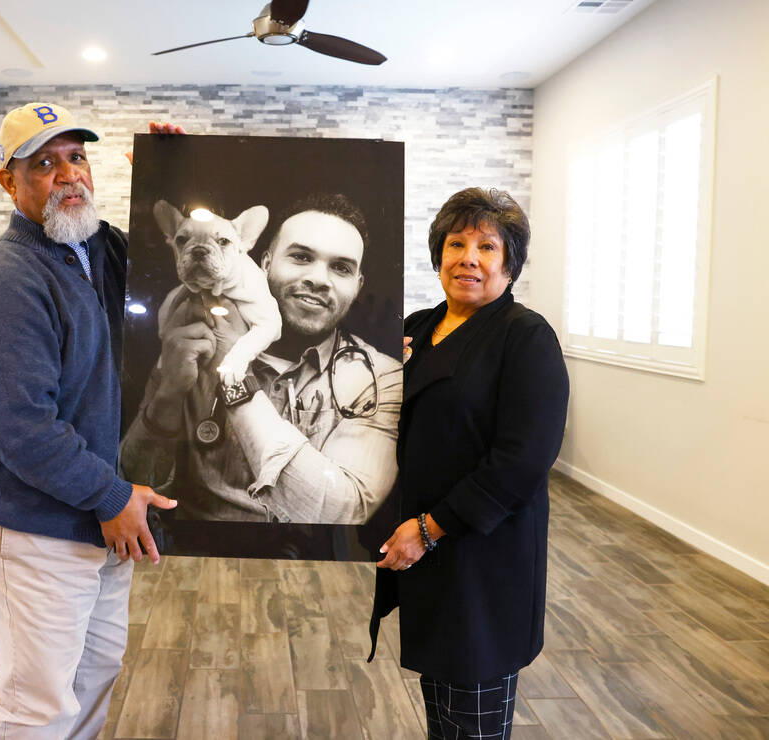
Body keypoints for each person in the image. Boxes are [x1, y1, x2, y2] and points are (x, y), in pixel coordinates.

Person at [0, 102, 183, 738]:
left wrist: (168, 182)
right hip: (37, 521)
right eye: (45, 164)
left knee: (94, 673)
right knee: (38, 701)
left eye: (76, 157)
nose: (68, 175)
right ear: (8, 180)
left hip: (101, 516)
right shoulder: (8, 283)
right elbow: (22, 429)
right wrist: (112, 494)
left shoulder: (91, 250)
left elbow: (168, 278)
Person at [369, 188, 569, 739]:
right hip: (426, 553)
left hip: (482, 556)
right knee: (444, 705)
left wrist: (432, 529)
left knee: (472, 716)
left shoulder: (525, 337)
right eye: (457, 243)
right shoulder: (415, 327)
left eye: (487, 246)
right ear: (439, 254)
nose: (469, 258)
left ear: (509, 263)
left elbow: (521, 461)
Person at [120, 193, 402, 526]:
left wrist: (232, 372)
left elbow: (340, 511)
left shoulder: (381, 376)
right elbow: (132, 487)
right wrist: (168, 393)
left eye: (341, 268)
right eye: (300, 257)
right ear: (264, 262)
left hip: (315, 566)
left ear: (357, 286)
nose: (318, 279)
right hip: (198, 559)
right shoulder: (187, 339)